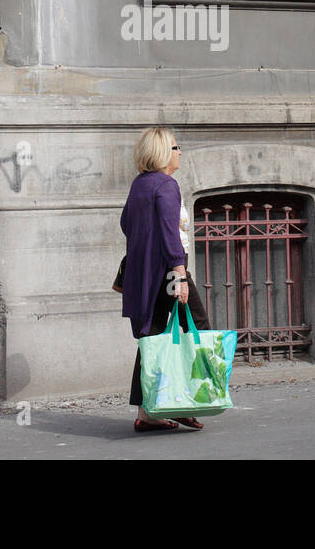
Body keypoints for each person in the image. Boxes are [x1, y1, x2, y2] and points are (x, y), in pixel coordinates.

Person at [119, 126, 212, 431]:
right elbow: (170, 234)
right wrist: (180, 277)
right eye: (175, 147)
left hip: (145, 274)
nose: (180, 152)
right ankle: (183, 399)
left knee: (154, 337)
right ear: (162, 153)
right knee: (196, 327)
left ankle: (150, 412)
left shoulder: (140, 185)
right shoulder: (166, 185)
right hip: (169, 271)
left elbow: (125, 223)